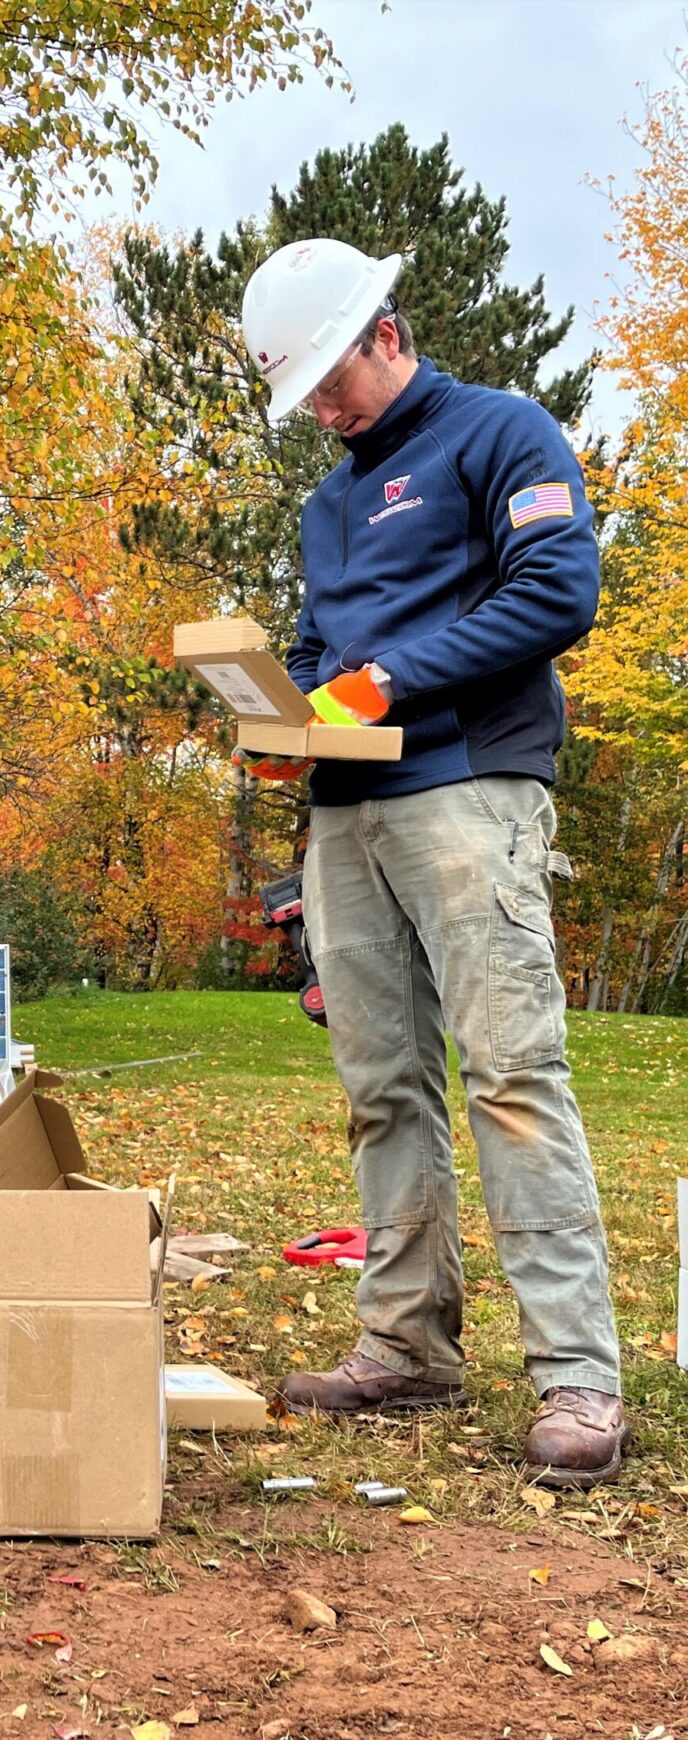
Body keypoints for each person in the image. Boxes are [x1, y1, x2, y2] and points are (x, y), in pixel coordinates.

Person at [237, 238, 625, 1488]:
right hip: (346, 814)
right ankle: (404, 1343)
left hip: (469, 787)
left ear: (384, 334)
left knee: (509, 1071)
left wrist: (381, 683)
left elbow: (555, 591)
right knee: (382, 1085)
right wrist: (285, 723)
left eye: (328, 382)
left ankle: (575, 1377)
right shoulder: (327, 501)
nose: (322, 411)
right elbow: (312, 648)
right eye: (301, 398)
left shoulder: (500, 434)